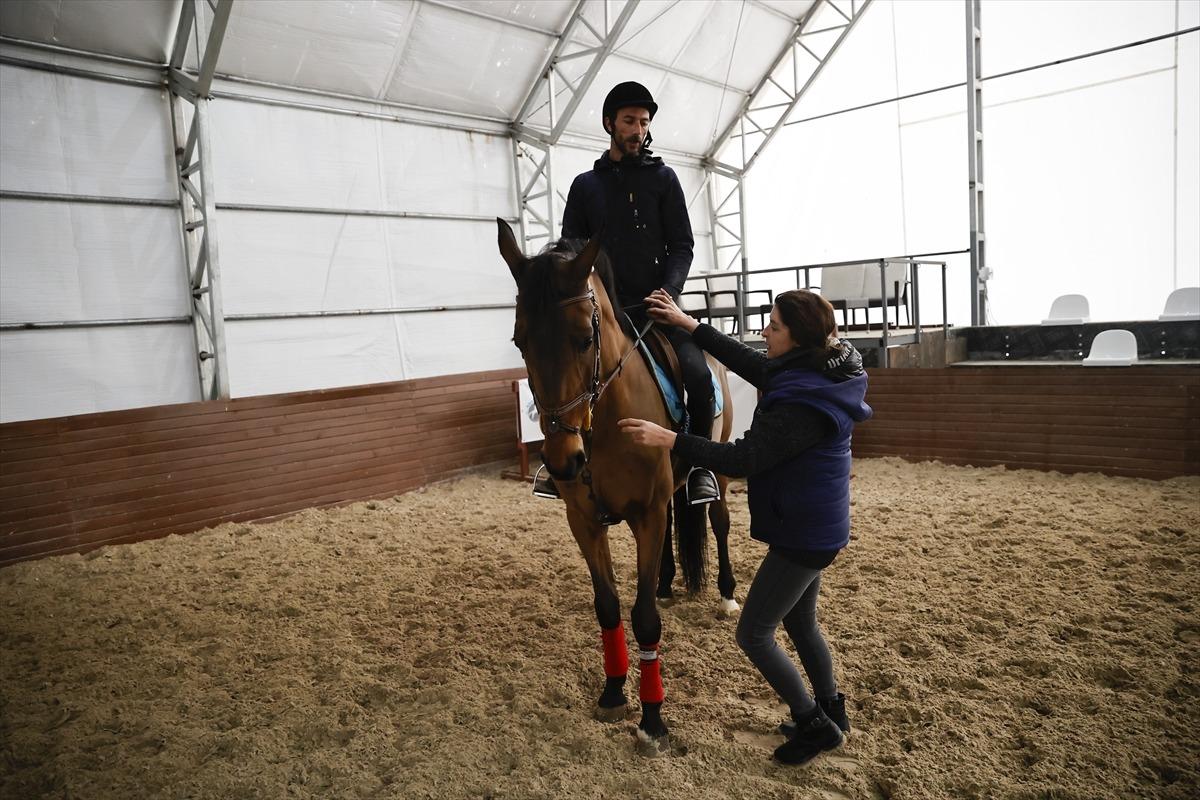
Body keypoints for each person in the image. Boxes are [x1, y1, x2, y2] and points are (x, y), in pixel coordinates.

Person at [618, 288, 872, 766]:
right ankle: (832, 709)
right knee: (800, 621)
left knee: (754, 633)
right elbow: (752, 362)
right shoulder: (813, 368)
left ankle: (815, 725)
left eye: (773, 328)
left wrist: (669, 438)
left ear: (797, 339)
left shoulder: (801, 403)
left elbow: (745, 458)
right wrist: (691, 325)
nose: (763, 333)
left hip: (804, 533)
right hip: (816, 524)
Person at [532, 80, 720, 507]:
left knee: (698, 374)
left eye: (644, 122)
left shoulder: (665, 180)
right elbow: (570, 250)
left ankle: (700, 468)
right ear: (609, 124)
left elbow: (683, 246)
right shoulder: (585, 187)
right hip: (603, 310)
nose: (638, 130)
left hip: (658, 306)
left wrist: (669, 292)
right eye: (630, 121)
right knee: (559, 369)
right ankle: (557, 463)